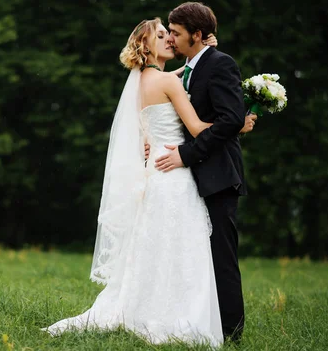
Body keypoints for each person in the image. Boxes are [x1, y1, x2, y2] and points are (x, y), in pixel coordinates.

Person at [42, 17, 224, 346]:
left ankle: (146, 308)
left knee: (156, 250)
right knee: (181, 248)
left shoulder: (144, 81)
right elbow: (197, 128)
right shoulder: (166, 83)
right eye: (161, 35)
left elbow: (177, 78)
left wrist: (199, 55)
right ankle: (177, 317)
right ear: (147, 45)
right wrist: (239, 123)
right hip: (174, 175)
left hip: (154, 176)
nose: (169, 38)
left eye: (170, 34)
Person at [154, 2, 252, 341]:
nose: (171, 39)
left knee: (221, 256)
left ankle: (231, 334)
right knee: (196, 256)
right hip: (190, 179)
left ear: (197, 35)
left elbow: (230, 120)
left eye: (177, 34)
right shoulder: (189, 67)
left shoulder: (221, 63)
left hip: (218, 175)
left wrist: (186, 154)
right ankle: (198, 325)